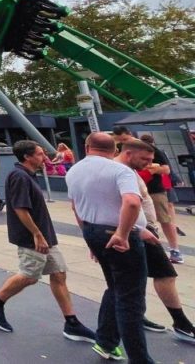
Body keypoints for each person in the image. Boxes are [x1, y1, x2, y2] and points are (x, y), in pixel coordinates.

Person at [0, 140, 96, 343]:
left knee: (58, 274)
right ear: (27, 156)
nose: (45, 158)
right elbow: (20, 208)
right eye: (40, 154)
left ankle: (72, 322)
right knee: (30, 275)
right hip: (32, 236)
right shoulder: (19, 176)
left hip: (43, 234)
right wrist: (37, 234)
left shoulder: (28, 176)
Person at [67, 132, 155, 363]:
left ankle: (106, 342)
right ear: (115, 150)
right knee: (131, 299)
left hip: (92, 230)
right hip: (117, 235)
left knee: (115, 287)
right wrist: (123, 234)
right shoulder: (120, 170)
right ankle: (140, 358)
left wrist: (90, 241)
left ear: (87, 147)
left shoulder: (74, 170)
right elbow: (132, 201)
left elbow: (75, 207)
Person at [114, 140, 195, 342]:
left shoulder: (125, 170)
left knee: (131, 279)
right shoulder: (120, 172)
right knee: (164, 274)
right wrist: (139, 230)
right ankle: (181, 323)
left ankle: (132, 320)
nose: (149, 164)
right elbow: (120, 205)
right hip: (137, 232)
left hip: (139, 230)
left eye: (151, 160)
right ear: (129, 153)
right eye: (145, 159)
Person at [128, 130, 183, 264]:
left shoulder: (155, 151)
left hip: (155, 190)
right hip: (136, 190)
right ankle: (146, 249)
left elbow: (166, 169)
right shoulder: (127, 152)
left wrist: (151, 168)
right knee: (139, 220)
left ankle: (175, 249)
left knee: (165, 219)